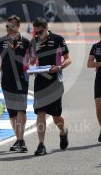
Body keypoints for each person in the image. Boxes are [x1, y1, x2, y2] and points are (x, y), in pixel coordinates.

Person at [0, 15, 31, 153]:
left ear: (18, 26)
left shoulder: (26, 42)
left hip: (22, 79)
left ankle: (21, 140)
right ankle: (18, 139)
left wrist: (31, 67)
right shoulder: (1, 41)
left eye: (12, 26)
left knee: (21, 109)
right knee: (12, 114)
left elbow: (34, 58)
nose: (9, 29)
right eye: (7, 26)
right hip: (7, 80)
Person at [30, 17, 71, 156]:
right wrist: (29, 68)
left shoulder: (58, 39)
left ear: (46, 28)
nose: (37, 34)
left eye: (40, 32)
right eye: (35, 32)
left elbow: (68, 59)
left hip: (55, 81)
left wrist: (59, 67)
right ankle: (41, 145)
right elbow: (32, 60)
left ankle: (63, 131)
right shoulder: (35, 41)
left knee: (55, 116)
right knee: (40, 112)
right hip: (40, 80)